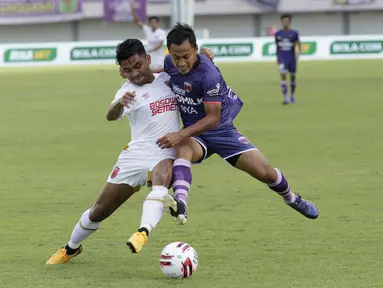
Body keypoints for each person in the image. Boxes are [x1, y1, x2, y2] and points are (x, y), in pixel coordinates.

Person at [45, 39, 216, 264]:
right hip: (134, 155)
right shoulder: (127, 92)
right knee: (99, 210)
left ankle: (142, 232)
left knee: (162, 179)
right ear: (121, 72)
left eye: (137, 66)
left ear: (147, 60)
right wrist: (119, 104)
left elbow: (193, 71)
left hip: (164, 150)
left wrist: (205, 58)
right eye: (127, 70)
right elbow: (111, 115)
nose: (134, 73)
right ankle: (71, 248)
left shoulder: (168, 78)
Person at [156, 23, 319, 225]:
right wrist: (134, 75)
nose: (180, 63)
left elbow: (212, 118)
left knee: (266, 173)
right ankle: (181, 203)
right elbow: (159, 71)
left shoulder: (209, 75)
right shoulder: (169, 63)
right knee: (182, 147)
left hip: (222, 131)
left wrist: (180, 134)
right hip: (195, 136)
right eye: (175, 57)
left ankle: (292, 199)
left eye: (186, 56)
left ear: (196, 50)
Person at [130, 0, 166, 69]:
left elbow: (160, 44)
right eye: (152, 22)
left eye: (155, 22)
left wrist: (151, 50)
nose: (153, 24)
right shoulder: (147, 30)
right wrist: (133, 10)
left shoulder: (161, 32)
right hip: (150, 56)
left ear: (158, 23)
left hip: (159, 57)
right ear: (149, 23)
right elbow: (137, 21)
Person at [274, 14, 301, 105]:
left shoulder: (294, 33)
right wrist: (277, 57)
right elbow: (277, 46)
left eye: (287, 21)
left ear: (289, 22)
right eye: (284, 21)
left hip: (291, 58)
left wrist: (298, 53)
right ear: (282, 22)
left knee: (292, 78)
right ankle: (285, 98)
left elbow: (298, 44)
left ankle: (292, 96)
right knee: (283, 75)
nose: (285, 23)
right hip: (282, 58)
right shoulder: (278, 34)